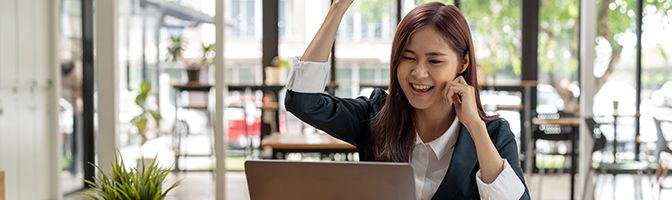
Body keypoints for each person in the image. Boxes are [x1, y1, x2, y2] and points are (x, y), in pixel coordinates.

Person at [284, 1, 530, 199]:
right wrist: (337, 9)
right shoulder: (375, 116)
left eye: (434, 61)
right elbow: (303, 102)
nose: (418, 73)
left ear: (463, 63)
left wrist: (475, 126)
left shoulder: (493, 135)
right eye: (408, 57)